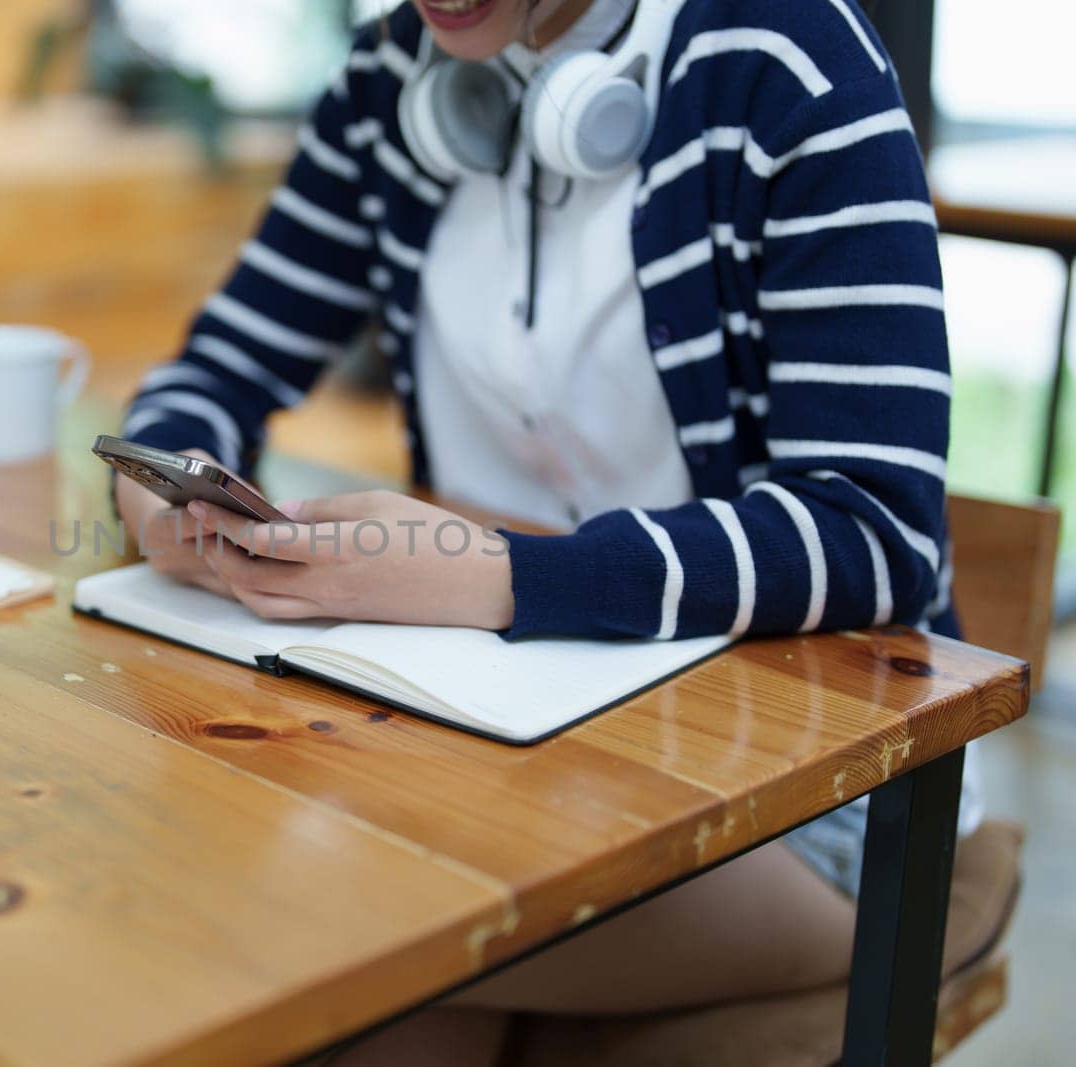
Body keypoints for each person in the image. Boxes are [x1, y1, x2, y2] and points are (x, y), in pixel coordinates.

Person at [112, 0, 980, 1060]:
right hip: (477, 732)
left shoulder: (783, 57)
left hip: (796, 786)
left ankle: (871, 936)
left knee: (308, 913)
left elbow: (879, 533)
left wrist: (499, 575)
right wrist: (162, 479)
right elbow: (223, 363)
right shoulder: (393, 73)